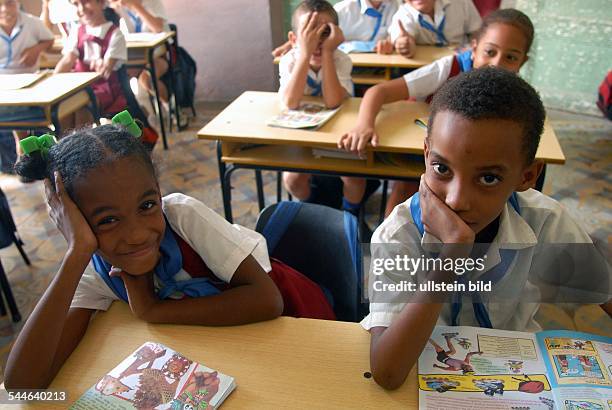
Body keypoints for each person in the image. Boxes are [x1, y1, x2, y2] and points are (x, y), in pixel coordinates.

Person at [361, 67, 611, 390]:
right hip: (423, 379)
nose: (456, 199)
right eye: (442, 168)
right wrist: (453, 254)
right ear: (426, 154)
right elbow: (388, 371)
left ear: (527, 176)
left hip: (518, 378)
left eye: (488, 178)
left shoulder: (545, 222)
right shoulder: (398, 235)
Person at [3, 119, 293, 388]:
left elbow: (267, 300)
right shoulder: (94, 268)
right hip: (221, 358)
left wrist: (152, 310)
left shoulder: (183, 217)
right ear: (72, 222)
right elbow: (22, 387)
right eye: (107, 220)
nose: (137, 234)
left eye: (147, 206)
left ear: (157, 190)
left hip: (287, 330)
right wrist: (76, 253)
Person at [340, 8, 535, 216]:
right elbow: (378, 91)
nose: (497, 64)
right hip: (425, 155)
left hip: (473, 163)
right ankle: (394, 244)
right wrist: (364, 124)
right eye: (490, 52)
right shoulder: (448, 68)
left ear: (522, 61)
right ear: (474, 47)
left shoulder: (514, 92)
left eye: (511, 57)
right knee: (409, 190)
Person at [279, 0, 368, 215]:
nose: (318, 41)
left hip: (340, 135)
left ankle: (351, 217)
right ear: (293, 39)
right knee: (292, 179)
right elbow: (291, 102)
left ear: (336, 35)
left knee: (355, 178)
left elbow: (333, 101)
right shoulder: (289, 60)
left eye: (325, 32)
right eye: (309, 32)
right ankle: (315, 209)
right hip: (303, 137)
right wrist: (304, 53)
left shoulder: (341, 60)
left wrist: (328, 52)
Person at [0, 0, 54, 175]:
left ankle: (22, 150)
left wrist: (36, 49)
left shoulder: (31, 23)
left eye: (9, 3)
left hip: (30, 81)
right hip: (3, 84)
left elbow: (49, 39)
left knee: (21, 107)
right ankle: (21, 151)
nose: (4, 9)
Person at [273, 0, 398, 57]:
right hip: (344, 61)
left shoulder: (394, 6)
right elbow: (316, 29)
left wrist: (388, 42)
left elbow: (394, 33)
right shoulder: (345, 8)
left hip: (378, 64)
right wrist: (289, 44)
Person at [389, 0, 481, 57]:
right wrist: (405, 45)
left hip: (462, 63)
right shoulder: (403, 14)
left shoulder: (461, 2)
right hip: (424, 68)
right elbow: (403, 40)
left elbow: (478, 32)